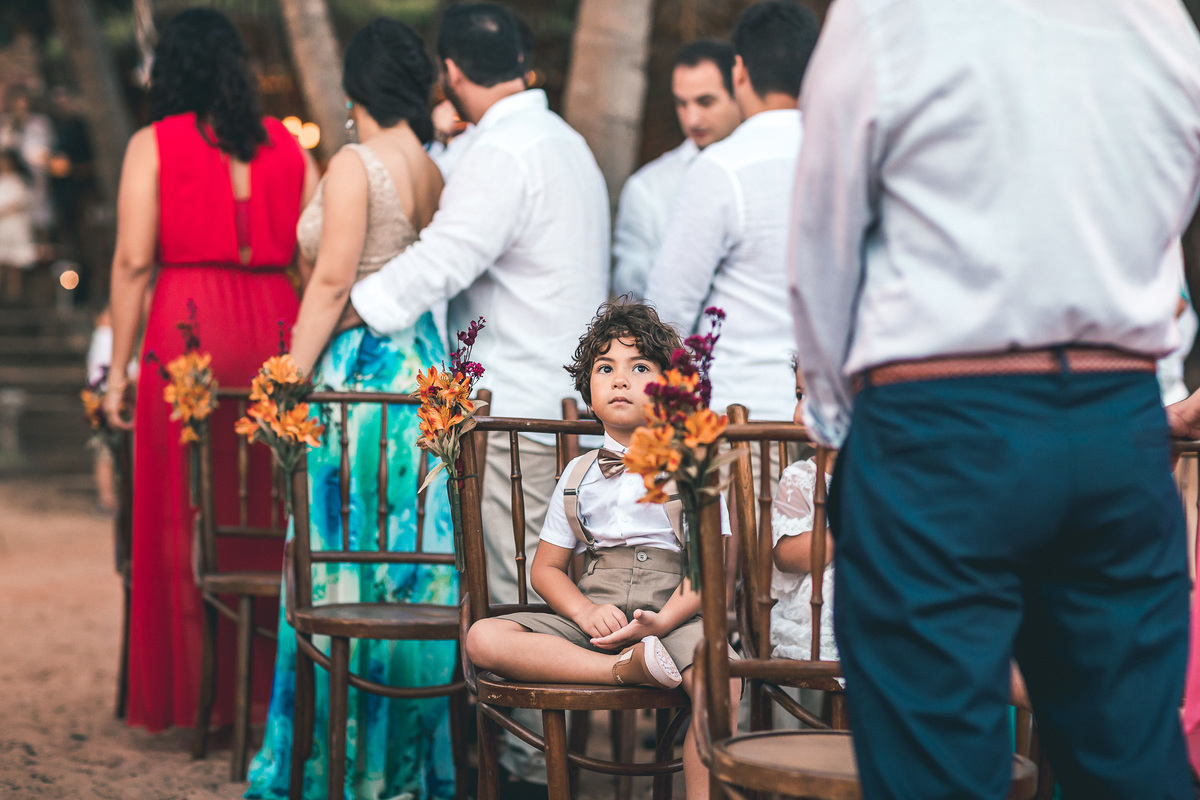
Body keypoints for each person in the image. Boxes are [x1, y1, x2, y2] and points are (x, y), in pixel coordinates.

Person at [789, 1, 1200, 797]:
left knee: (935, 765)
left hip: (935, 418)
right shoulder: (1156, 17)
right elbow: (1174, 192)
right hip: (1114, 410)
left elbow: (823, 234)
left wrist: (837, 417)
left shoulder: (887, 13)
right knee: (1130, 761)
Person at [244, 19, 457, 800]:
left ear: (352, 90)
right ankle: (402, 764)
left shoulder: (353, 164)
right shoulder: (432, 170)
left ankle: (340, 765)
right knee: (409, 568)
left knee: (340, 563)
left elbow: (332, 284)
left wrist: (286, 382)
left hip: (361, 381)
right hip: (424, 380)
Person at [347, 3, 608, 610]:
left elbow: (440, 261)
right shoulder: (566, 143)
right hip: (569, 410)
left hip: (521, 423)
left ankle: (522, 710)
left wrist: (350, 308)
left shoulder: (505, 151)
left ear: (452, 72)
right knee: (561, 602)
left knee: (517, 605)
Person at [102, 8, 317, 734]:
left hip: (185, 333)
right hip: (275, 335)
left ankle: (192, 696)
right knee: (268, 511)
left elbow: (133, 261)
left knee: (182, 512)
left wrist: (118, 374)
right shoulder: (290, 147)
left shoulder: (152, 145)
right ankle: (266, 696)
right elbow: (311, 259)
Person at [465, 299, 734, 800]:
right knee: (483, 637)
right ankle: (621, 669)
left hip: (676, 613)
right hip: (598, 611)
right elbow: (546, 570)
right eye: (605, 367)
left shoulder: (691, 465)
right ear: (587, 387)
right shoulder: (578, 474)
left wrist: (664, 621)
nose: (620, 379)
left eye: (639, 368)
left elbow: (710, 569)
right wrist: (585, 612)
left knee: (722, 686)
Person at [647, 2, 819, 423]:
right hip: (829, 413)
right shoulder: (849, 159)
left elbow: (669, 308)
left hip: (739, 417)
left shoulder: (723, 167)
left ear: (738, 71)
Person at [611, 40, 741, 299]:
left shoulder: (766, 168)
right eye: (682, 104)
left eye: (705, 102)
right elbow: (626, 282)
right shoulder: (648, 186)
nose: (692, 119)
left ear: (739, 91)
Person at [0, 84, 54, 238]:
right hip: (16, 178)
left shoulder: (39, 122)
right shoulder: (6, 124)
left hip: (39, 177)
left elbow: (47, 147)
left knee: (42, 218)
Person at [0, 148, 37, 301]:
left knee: (16, 262)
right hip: (2, 227)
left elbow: (22, 203)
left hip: (15, 226)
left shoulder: (20, 181)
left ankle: (14, 297)